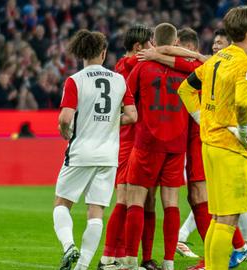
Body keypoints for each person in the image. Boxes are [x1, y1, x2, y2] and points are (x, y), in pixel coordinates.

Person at [178, 6, 247, 270]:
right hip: (230, 149)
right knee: (228, 219)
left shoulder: (214, 60)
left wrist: (202, 119)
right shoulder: (246, 64)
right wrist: (242, 132)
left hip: (210, 145)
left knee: (218, 217)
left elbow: (185, 89)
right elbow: (242, 103)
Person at [52, 29, 137, 270]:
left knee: (62, 203)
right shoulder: (119, 80)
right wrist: (109, 120)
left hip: (80, 152)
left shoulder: (75, 80)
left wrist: (63, 128)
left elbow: (66, 117)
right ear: (103, 53)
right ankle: (83, 267)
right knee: (96, 211)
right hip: (109, 156)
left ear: (81, 54)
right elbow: (132, 115)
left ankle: (69, 246)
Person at [123, 23, 189, 270]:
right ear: (176, 43)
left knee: (137, 200)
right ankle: (169, 262)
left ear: (153, 41)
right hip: (176, 143)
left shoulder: (142, 66)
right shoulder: (186, 69)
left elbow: (126, 96)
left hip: (147, 142)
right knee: (171, 202)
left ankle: (130, 260)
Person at [97, 24, 159, 270]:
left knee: (144, 201)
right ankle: (108, 257)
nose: (154, 49)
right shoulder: (129, 66)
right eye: (151, 45)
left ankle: (129, 256)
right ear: (138, 48)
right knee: (125, 198)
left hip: (140, 139)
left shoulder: (127, 66)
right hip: (128, 140)